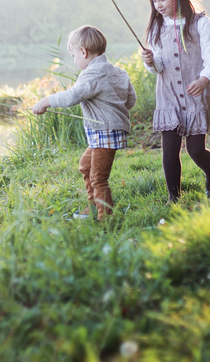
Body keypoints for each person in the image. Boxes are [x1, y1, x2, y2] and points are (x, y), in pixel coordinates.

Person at [140, 0, 210, 202]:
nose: (158, 5)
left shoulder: (201, 23)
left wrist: (204, 79)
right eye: (154, 0)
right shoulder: (156, 28)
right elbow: (159, 66)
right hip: (169, 94)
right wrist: (151, 62)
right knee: (169, 148)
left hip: (195, 94)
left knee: (195, 150)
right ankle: (174, 197)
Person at [32, 25, 137, 220]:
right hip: (105, 133)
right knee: (85, 166)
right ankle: (93, 207)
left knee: (99, 178)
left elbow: (72, 96)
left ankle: (106, 218)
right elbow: (131, 101)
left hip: (105, 133)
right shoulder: (119, 72)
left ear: (83, 52)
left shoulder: (92, 75)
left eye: (73, 56)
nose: (74, 60)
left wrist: (45, 102)